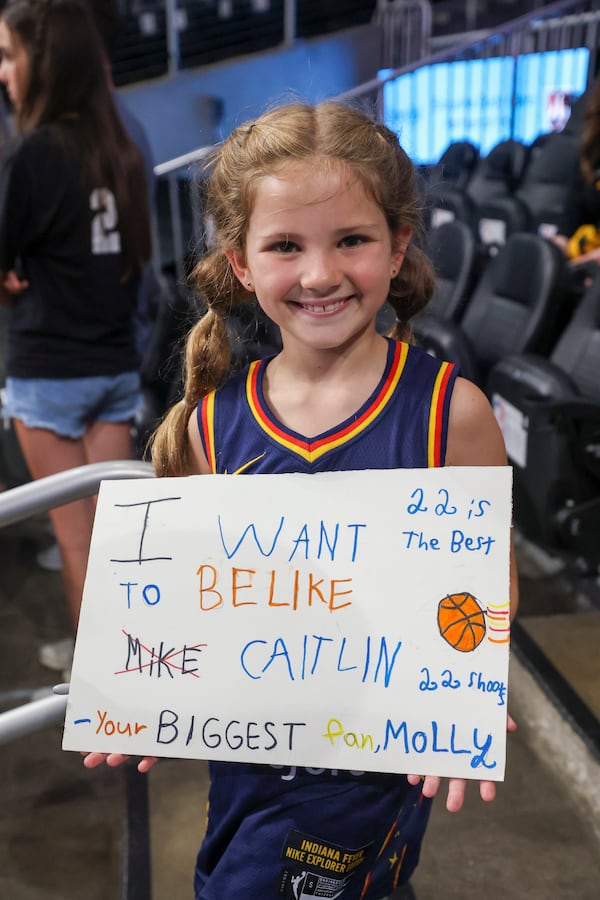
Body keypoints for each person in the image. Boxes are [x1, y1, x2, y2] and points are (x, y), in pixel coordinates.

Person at [84, 100, 518, 899]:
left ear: (398, 246)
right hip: (249, 762)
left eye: (351, 239)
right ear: (242, 263)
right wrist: (141, 688)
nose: (320, 274)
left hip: (369, 771)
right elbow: (188, 597)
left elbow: (484, 581)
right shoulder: (211, 426)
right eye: (286, 245)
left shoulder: (449, 414)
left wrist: (464, 688)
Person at [0, 0, 151, 656]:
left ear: (45, 62)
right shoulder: (118, 144)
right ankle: (131, 659)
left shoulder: (32, 153)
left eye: (9, 56)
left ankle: (100, 679)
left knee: (79, 542)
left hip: (50, 378)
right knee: (118, 541)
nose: (2, 72)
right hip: (114, 371)